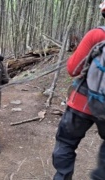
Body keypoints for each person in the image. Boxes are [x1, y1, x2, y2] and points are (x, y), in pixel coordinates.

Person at [52, 2, 105, 180]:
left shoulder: (97, 35)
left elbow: (73, 69)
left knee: (66, 143)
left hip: (82, 104)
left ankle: (62, 176)